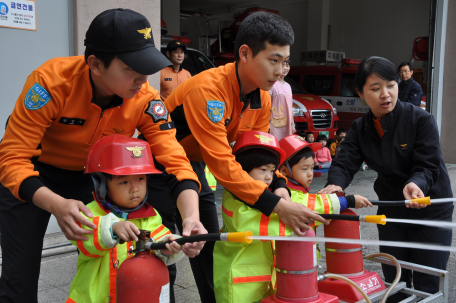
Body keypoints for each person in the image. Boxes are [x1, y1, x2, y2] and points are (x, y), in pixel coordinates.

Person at [0, 9, 205, 303]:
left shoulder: (145, 99)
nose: (143, 79)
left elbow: (174, 160)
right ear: (95, 63)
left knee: (115, 253)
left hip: (90, 178)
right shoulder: (50, 83)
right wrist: (57, 204)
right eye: (132, 69)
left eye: (147, 67)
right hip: (32, 176)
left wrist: (192, 217)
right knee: (19, 279)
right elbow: (11, 159)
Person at [161, 12, 327, 302]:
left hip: (198, 165)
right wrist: (276, 206)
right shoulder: (208, 90)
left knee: (209, 246)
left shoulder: (262, 97)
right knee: (164, 255)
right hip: (161, 167)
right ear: (245, 53)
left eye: (285, 61)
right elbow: (224, 164)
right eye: (273, 60)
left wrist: (279, 187)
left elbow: (254, 157)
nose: (281, 70)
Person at [320, 56, 453, 302]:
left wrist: (417, 184)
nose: (385, 94)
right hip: (392, 210)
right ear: (361, 92)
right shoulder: (360, 128)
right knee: (395, 278)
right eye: (375, 88)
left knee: (428, 280)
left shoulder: (421, 120)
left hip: (429, 207)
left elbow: (428, 164)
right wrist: (335, 184)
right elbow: (344, 161)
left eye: (391, 85)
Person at [67, 135, 202, 302]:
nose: (134, 189)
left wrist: (167, 245)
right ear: (102, 185)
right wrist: (113, 228)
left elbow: (158, 240)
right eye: (123, 182)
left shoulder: (150, 215)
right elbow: (84, 238)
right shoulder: (89, 212)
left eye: (140, 179)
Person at [280, 135, 372, 213]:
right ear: (284, 171)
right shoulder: (285, 191)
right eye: (304, 169)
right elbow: (311, 206)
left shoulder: (296, 187)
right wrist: (347, 201)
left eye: (312, 168)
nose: (310, 174)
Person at [269, 60, 295, 140]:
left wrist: (293, 124)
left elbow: (290, 108)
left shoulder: (288, 86)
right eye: (284, 65)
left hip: (287, 124)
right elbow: (267, 105)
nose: (286, 68)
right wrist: (267, 124)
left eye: (287, 65)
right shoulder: (272, 84)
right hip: (274, 124)